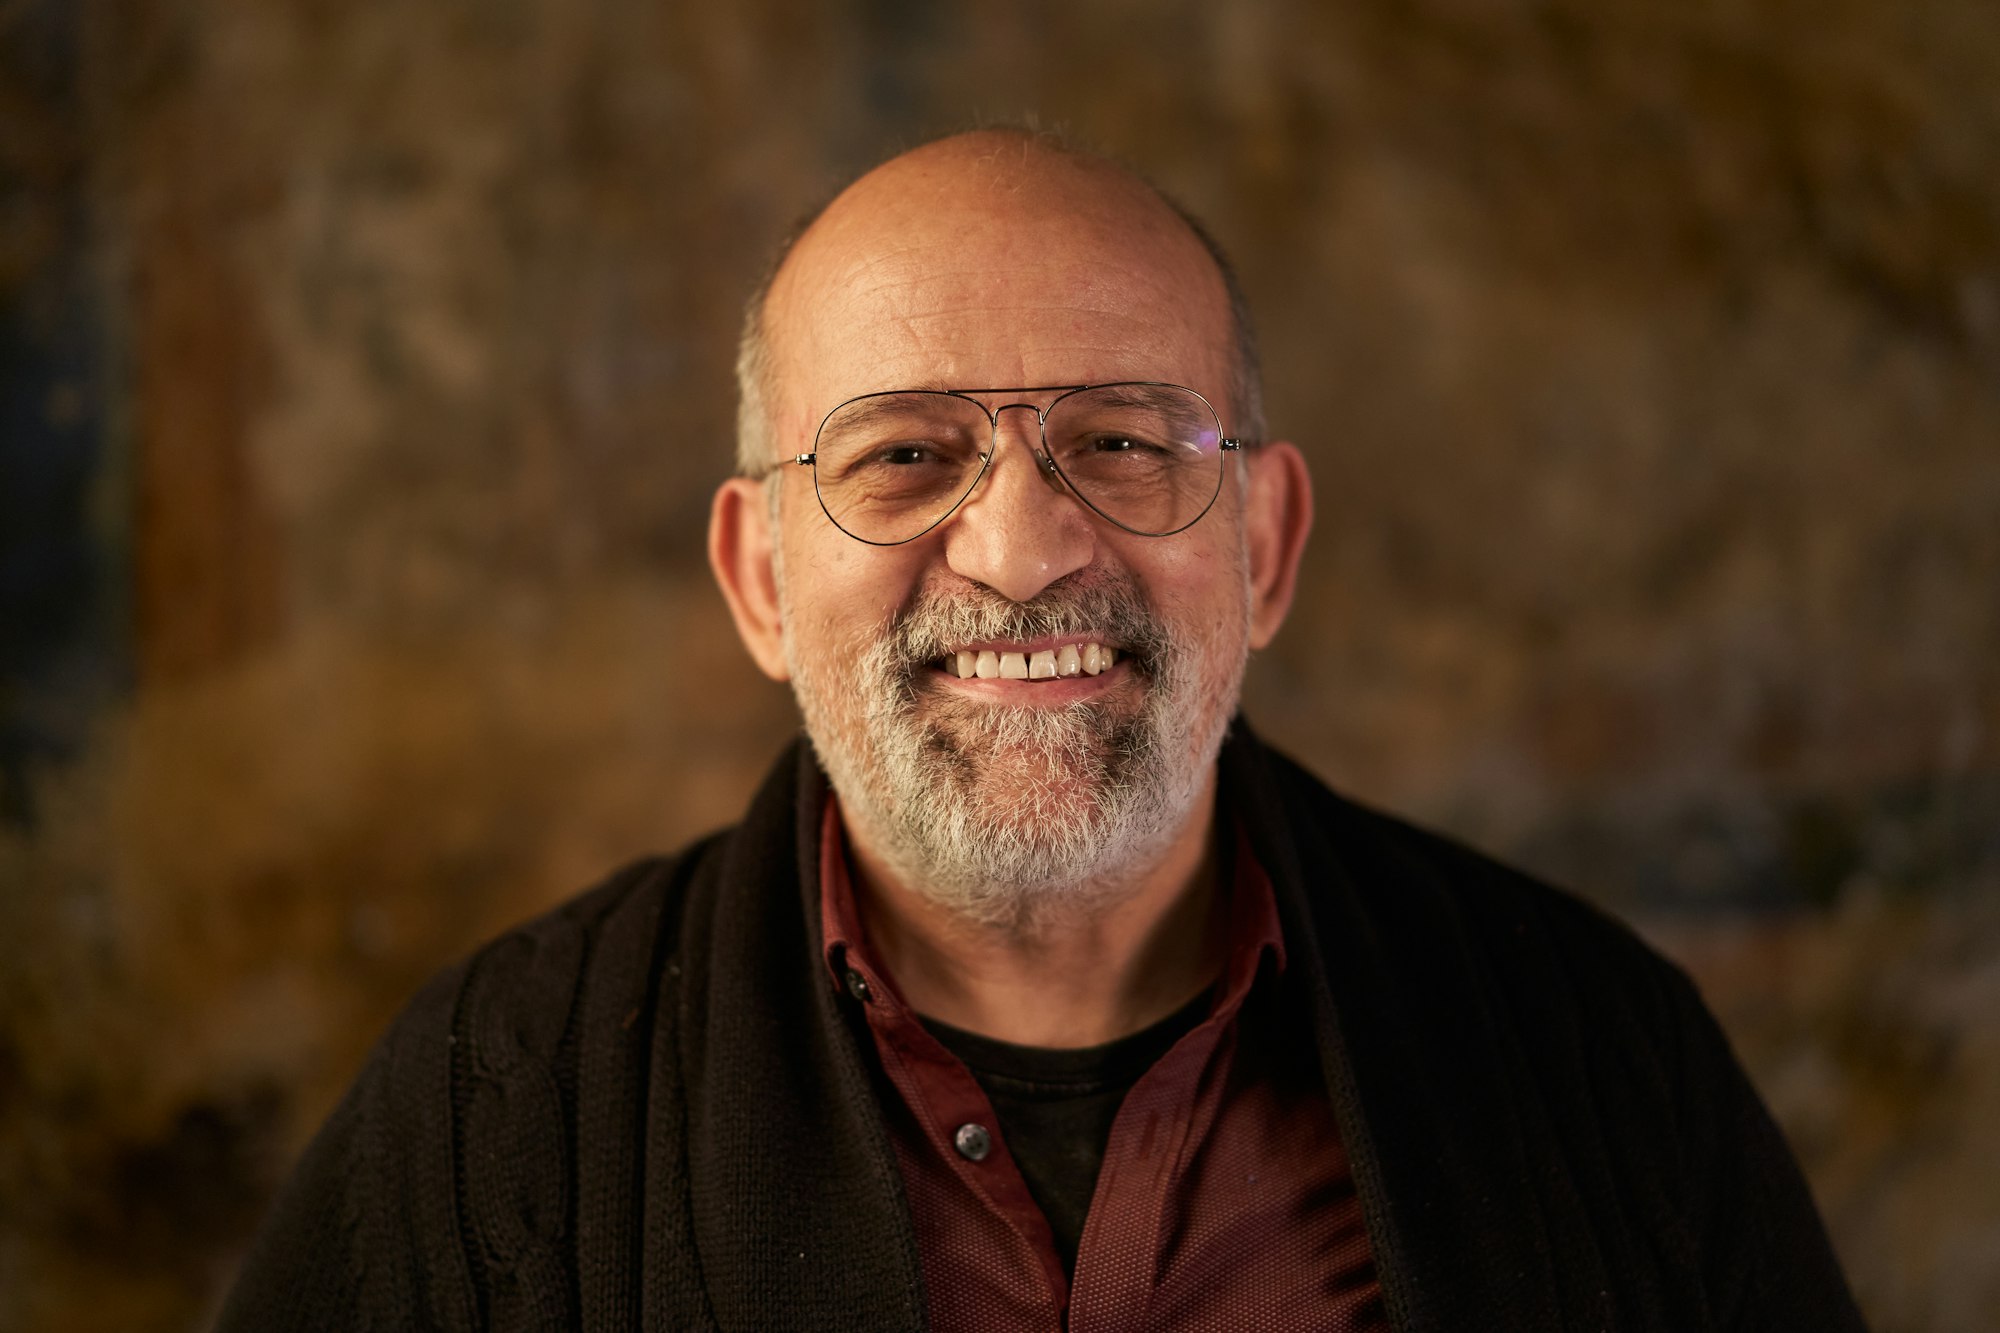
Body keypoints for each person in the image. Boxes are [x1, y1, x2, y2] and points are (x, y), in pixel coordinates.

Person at [217, 129, 1865, 1332]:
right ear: (760, 579)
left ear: (1268, 546)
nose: (1021, 548)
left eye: (1124, 441)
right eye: (905, 457)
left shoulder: (1600, 1059)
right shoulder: (489, 1118)